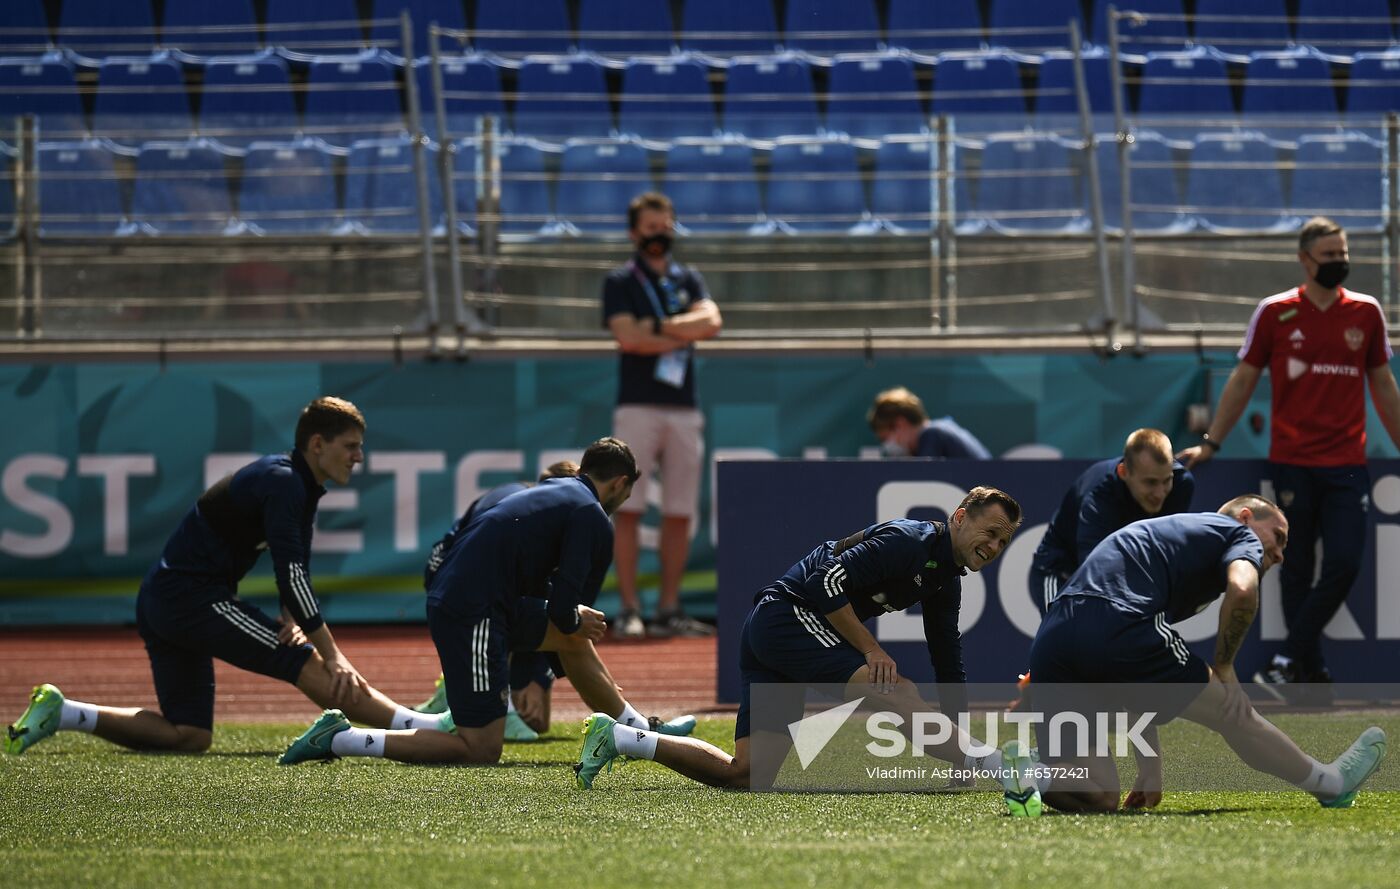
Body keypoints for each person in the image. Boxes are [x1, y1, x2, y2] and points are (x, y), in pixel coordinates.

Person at [5, 397, 453, 757]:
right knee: (305, 663)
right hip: (190, 599)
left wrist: (289, 617)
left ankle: (64, 713)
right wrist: (334, 654)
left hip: (165, 599)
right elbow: (292, 572)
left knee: (189, 735)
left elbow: (292, 564)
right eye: (351, 446)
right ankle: (423, 726)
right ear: (318, 444)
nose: (360, 457)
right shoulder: (285, 483)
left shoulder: (299, 482)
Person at [573, 487, 1024, 792]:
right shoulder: (910, 541)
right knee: (895, 690)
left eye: (1004, 542)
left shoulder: (947, 580)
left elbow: (949, 664)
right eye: (991, 532)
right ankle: (1001, 769)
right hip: (786, 619)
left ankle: (621, 738)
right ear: (961, 517)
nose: (994, 547)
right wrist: (870, 647)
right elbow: (824, 581)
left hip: (780, 631)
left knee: (748, 775)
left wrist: (958, 738)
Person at [278, 438, 690, 767]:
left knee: (573, 638)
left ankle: (640, 730)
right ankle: (342, 739)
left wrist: (559, 639)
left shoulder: (554, 492)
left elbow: (551, 606)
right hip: (475, 612)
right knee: (480, 747)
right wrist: (568, 625)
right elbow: (564, 604)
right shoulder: (590, 514)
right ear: (619, 483)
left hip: (481, 603)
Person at [1025, 495, 1386, 816]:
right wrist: (1226, 668)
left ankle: (1024, 773)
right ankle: (1330, 783)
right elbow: (1243, 590)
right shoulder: (1235, 533)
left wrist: (1150, 766)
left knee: (1099, 794)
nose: (1279, 554)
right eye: (1278, 537)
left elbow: (1134, 683)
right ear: (1246, 517)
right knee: (1233, 710)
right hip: (1113, 622)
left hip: (1053, 639)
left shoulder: (1179, 541)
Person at [1178, 217, 1400, 702]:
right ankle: (1311, 672)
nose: (1340, 262)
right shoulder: (1275, 312)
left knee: (1343, 561)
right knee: (1294, 569)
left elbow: (1383, 385)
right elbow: (1243, 379)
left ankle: (1285, 661)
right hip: (1292, 462)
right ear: (1304, 259)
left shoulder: (1366, 313)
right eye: (1330, 255)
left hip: (1346, 464)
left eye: (1344, 253)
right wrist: (1213, 441)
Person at [603, 191, 723, 640]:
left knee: (679, 510)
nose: (659, 235)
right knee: (627, 507)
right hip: (637, 405)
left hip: (683, 408)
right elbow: (627, 338)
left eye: (666, 226)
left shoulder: (687, 277)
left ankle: (669, 608)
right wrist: (679, 328)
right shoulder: (620, 280)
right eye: (651, 228)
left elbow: (712, 320)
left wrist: (654, 328)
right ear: (635, 232)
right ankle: (630, 608)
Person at [416, 460, 581, 742]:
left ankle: (460, 688)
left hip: (467, 580)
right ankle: (468, 691)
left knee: (539, 720)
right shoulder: (523, 512)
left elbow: (545, 602)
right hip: (453, 580)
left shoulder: (536, 512)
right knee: (496, 618)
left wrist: (539, 679)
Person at [1031, 428, 1195, 614]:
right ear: (1123, 472)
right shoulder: (1098, 497)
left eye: (1166, 481)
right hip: (1061, 570)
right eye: (1150, 483)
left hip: (1121, 571)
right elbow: (1095, 575)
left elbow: (1166, 552)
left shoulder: (1182, 485)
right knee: (1063, 635)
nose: (1160, 493)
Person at [867, 387, 991, 459]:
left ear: (900, 424)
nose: (887, 445)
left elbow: (924, 479)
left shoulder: (931, 435)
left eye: (885, 438)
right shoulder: (941, 429)